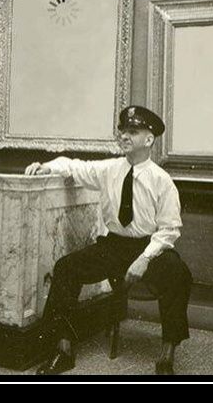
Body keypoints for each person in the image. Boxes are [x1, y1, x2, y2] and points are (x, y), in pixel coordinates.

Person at [25, 105, 193, 375]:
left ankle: (166, 356)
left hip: (149, 248)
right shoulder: (109, 169)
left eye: (133, 131)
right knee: (66, 268)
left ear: (149, 139)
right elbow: (73, 166)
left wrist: (144, 259)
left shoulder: (162, 181)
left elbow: (169, 229)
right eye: (122, 131)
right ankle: (63, 350)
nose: (124, 136)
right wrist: (46, 167)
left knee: (179, 273)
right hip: (114, 246)